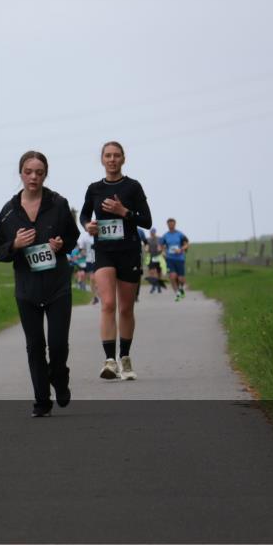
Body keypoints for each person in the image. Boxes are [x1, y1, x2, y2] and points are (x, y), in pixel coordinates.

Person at [0, 150, 80, 417]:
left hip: (57, 286)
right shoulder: (9, 212)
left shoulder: (58, 203)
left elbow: (73, 238)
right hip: (27, 289)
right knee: (34, 347)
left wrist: (61, 244)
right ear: (20, 173)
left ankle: (60, 377)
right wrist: (16, 244)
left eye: (39, 172)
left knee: (57, 345)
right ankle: (42, 401)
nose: (33, 177)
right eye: (28, 172)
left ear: (46, 174)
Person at [80, 141, 151, 382]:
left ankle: (125, 357)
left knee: (126, 308)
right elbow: (83, 214)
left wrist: (124, 212)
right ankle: (109, 361)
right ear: (102, 159)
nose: (112, 159)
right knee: (108, 303)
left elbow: (147, 221)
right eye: (108, 155)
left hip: (129, 251)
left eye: (116, 156)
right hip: (104, 251)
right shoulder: (94, 188)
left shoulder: (133, 187)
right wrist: (87, 226)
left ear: (123, 159)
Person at [161, 218, 190, 301]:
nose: (171, 225)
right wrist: (163, 252)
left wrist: (180, 249)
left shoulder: (180, 234)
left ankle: (181, 289)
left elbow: (187, 244)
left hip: (180, 258)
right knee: (173, 276)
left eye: (172, 224)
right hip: (170, 259)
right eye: (169, 224)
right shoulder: (165, 236)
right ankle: (177, 293)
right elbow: (160, 246)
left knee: (181, 278)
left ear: (175, 224)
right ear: (167, 225)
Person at [78, 233, 98, 304]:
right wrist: (83, 253)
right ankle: (94, 297)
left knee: (95, 278)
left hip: (98, 259)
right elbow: (81, 248)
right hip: (89, 260)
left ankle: (98, 294)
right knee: (92, 279)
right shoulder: (84, 236)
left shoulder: (98, 233)